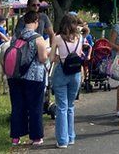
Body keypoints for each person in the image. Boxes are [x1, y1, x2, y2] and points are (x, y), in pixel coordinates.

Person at [8, 11, 49, 147]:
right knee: (35, 107)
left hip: (15, 75)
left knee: (17, 106)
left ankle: (15, 137)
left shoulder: (16, 36)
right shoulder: (38, 38)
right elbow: (43, 58)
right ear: (36, 21)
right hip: (34, 77)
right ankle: (36, 137)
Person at [51, 14, 84, 148]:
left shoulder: (57, 38)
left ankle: (62, 140)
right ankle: (71, 137)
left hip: (61, 72)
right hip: (75, 73)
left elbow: (52, 58)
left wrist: (61, 58)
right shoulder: (80, 38)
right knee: (70, 106)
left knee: (61, 107)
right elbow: (80, 54)